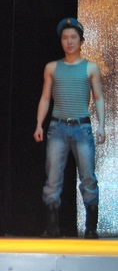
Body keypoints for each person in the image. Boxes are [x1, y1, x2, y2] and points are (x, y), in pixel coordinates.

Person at [33, 18, 106, 238]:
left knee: (88, 176)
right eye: (65, 38)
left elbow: (99, 98)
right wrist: (39, 124)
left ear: (81, 41)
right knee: (53, 177)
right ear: (61, 41)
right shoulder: (52, 67)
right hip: (57, 127)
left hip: (82, 127)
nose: (69, 42)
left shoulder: (91, 68)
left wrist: (102, 125)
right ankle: (52, 227)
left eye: (73, 37)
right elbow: (45, 98)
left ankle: (91, 227)